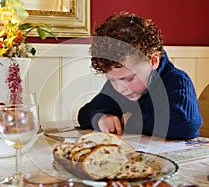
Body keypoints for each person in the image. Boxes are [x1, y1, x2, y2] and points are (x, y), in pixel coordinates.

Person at [77, 12, 202, 140]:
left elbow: (185, 124)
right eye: (112, 79)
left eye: (129, 78)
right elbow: (85, 113)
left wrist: (132, 121)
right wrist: (101, 118)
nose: (121, 88)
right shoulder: (118, 85)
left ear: (153, 61)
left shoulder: (177, 80)